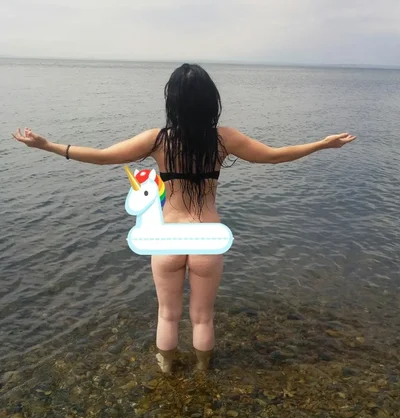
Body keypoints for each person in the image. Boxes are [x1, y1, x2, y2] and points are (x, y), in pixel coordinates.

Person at [12, 63, 356, 373]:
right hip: (207, 237)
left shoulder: (158, 140)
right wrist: (321, 144)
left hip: (168, 239)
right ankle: (204, 372)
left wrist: (48, 145)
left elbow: (103, 157)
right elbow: (274, 156)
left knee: (167, 314)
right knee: (203, 318)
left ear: (172, 101)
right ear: (210, 101)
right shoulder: (224, 139)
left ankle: (166, 369)